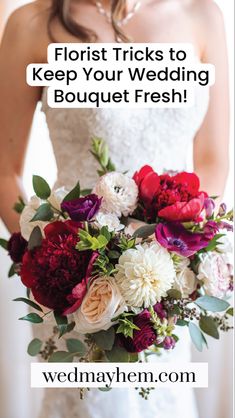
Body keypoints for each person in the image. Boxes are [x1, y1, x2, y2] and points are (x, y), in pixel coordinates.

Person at [0, 1, 229, 418]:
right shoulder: (32, 24)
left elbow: (212, 161)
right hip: (75, 292)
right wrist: (55, 265)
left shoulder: (202, 15)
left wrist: (173, 263)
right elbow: (5, 170)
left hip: (164, 286)